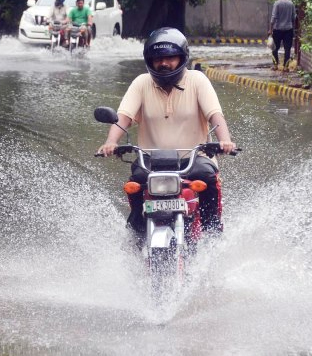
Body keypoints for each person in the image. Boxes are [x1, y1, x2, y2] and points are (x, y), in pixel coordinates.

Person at [97, 27, 237, 237]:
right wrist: (111, 142)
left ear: (182, 58)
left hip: (194, 158)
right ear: (150, 61)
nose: (164, 63)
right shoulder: (141, 83)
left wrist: (225, 140)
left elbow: (215, 116)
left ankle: (212, 237)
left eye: (170, 58)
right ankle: (136, 238)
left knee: (208, 177)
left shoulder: (197, 80)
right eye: (158, 59)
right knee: (135, 181)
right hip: (151, 162)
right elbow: (123, 117)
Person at [268, 0, 297, 71]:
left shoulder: (277, 3)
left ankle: (275, 65)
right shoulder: (291, 3)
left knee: (274, 48)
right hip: (288, 29)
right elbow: (294, 17)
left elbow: (273, 17)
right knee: (287, 49)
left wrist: (271, 29)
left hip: (277, 29)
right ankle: (285, 67)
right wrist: (293, 27)